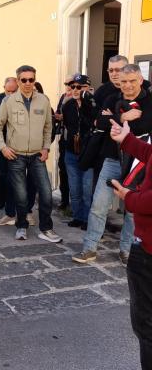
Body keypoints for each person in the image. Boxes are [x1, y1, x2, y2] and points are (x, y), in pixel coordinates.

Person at [72, 64, 152, 265]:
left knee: (132, 211)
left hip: (139, 162)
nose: (128, 85)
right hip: (112, 159)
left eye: (132, 80)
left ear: (140, 80)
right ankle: (89, 248)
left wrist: (114, 119)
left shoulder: (150, 102)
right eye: (124, 81)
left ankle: (127, 250)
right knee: (99, 205)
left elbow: (143, 125)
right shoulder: (111, 98)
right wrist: (123, 117)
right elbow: (99, 122)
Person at [0, 65, 61, 243]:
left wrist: (46, 147)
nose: (28, 83)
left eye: (31, 79)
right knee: (21, 196)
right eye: (24, 80)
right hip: (16, 156)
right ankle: (21, 226)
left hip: (38, 155)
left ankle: (46, 228)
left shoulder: (44, 100)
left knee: (46, 193)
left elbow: (48, 127)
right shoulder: (8, 101)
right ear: (18, 80)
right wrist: (3, 148)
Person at [109, 118, 152, 370]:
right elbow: (149, 152)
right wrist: (127, 140)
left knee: (146, 326)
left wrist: (130, 198)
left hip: (147, 250)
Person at [62, 74, 96, 230]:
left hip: (88, 153)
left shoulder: (94, 104)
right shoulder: (67, 106)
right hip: (71, 151)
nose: (75, 90)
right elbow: (69, 127)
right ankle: (77, 216)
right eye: (73, 86)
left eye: (79, 87)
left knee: (87, 189)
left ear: (87, 87)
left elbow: (93, 124)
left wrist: (85, 104)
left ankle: (88, 219)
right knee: (74, 188)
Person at [0, 77, 18, 211]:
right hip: (1, 141)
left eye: (14, 91)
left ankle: (15, 201)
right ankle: (1, 200)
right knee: (2, 173)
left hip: (17, 142)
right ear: (3, 88)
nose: (11, 94)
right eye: (8, 91)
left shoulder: (21, 99)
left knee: (15, 173)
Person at [54, 76, 73, 210]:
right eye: (66, 83)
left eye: (71, 84)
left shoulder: (83, 97)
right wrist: (58, 116)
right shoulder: (63, 96)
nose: (68, 86)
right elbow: (58, 112)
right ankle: (64, 200)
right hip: (64, 139)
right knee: (63, 169)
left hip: (78, 141)